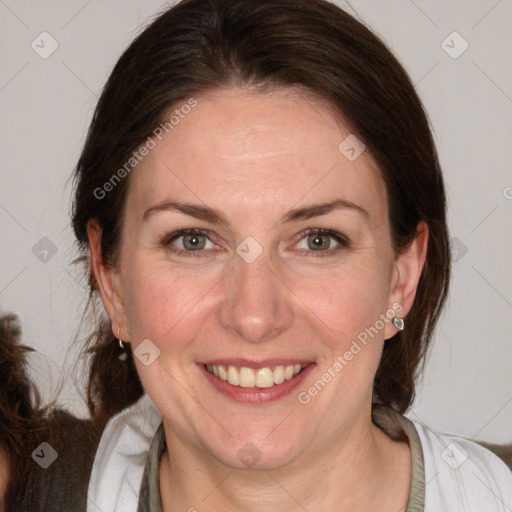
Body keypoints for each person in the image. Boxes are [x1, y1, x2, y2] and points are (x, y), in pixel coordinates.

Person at [1, 0, 511, 510]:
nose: (253, 316)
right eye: (193, 240)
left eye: (318, 240)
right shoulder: (27, 485)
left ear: (402, 277)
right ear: (110, 279)